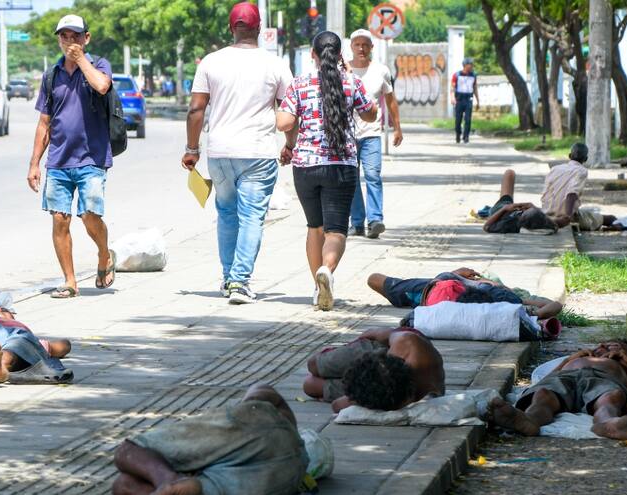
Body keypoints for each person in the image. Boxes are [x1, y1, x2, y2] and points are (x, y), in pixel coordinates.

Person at [181, 2, 293, 305]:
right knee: (252, 217)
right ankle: (240, 282)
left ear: (232, 28)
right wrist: (290, 145)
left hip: (219, 152)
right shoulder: (276, 64)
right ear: (258, 29)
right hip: (258, 152)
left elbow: (196, 109)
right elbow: (289, 110)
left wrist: (192, 149)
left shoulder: (210, 62)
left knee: (227, 215)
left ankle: (229, 277)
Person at [277, 31, 377, 311]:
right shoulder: (351, 82)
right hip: (341, 166)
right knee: (336, 231)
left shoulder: (299, 84)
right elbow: (371, 114)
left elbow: (284, 123)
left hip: (306, 167)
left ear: (313, 54)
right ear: (340, 54)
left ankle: (317, 287)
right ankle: (328, 272)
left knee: (314, 227)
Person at [27, 14, 116, 299]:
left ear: (86, 38)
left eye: (75, 36)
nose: (70, 42)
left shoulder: (99, 65)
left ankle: (104, 254)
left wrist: (80, 60)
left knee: (90, 215)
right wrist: (34, 164)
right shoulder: (51, 75)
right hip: (59, 161)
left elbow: (102, 86)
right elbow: (44, 122)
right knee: (60, 220)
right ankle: (69, 280)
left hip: (92, 158)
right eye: (64, 36)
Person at [112, 384, 306, 495]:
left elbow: (129, 449)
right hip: (284, 475)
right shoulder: (298, 452)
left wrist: (168, 478)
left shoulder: (248, 420)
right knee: (125, 483)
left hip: (266, 438)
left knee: (128, 455)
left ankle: (171, 480)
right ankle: (175, 481)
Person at [488, 340, 627, 440]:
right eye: (600, 345)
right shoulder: (574, 361)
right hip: (564, 378)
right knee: (542, 394)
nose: (601, 348)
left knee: (610, 398)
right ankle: (529, 420)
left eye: (610, 346)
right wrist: (568, 361)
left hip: (602, 381)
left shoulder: (625, 368)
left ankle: (607, 424)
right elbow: (540, 383)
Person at [303, 327, 445, 412]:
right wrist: (370, 335)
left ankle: (339, 374)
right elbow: (382, 333)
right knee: (313, 365)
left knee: (309, 385)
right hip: (381, 349)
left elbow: (337, 405)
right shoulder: (407, 342)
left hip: (381, 387)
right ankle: (336, 357)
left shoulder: (420, 395)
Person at [346, 29, 403, 239]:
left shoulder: (381, 70)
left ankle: (375, 220)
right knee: (350, 179)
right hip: (347, 136)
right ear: (351, 47)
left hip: (371, 135)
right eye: (357, 44)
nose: (361, 48)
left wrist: (397, 127)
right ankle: (357, 222)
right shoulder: (343, 70)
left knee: (372, 176)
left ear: (371, 47)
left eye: (365, 45)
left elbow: (390, 100)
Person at [367, 268, 563, 320]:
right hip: (441, 287)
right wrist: (535, 314)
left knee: (376, 279)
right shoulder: (504, 301)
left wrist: (454, 276)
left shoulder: (498, 296)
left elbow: (373, 279)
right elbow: (554, 305)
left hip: (435, 289)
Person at [483, 169, 561, 234]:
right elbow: (556, 226)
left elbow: (486, 227)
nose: (522, 210)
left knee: (509, 173)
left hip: (500, 209)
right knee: (559, 218)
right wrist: (534, 207)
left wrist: (504, 209)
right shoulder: (543, 222)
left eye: (523, 212)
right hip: (510, 209)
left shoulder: (510, 224)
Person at [451, 58, 479, 144]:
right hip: (459, 99)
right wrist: (452, 97)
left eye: (472, 64)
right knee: (458, 120)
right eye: (470, 64)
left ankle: (466, 136)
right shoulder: (456, 75)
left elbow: (475, 88)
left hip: (468, 99)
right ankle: (458, 134)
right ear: (465, 65)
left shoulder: (473, 75)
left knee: (468, 119)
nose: (471, 66)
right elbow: (452, 88)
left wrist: (478, 101)